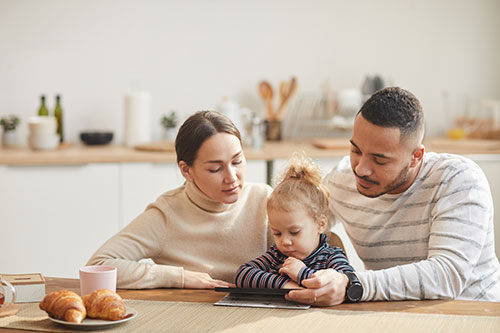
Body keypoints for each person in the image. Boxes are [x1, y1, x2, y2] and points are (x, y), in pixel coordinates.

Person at [286, 87, 500, 306]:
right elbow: (296, 223)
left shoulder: (458, 179)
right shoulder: (341, 181)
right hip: (392, 314)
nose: (361, 169)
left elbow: (446, 277)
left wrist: (351, 284)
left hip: (473, 315)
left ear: (416, 157)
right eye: (356, 151)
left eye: (379, 160)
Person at [87, 111, 274, 289]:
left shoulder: (264, 200)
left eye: (237, 161)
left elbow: (301, 261)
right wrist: (180, 277)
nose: (232, 177)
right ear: (186, 170)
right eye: (215, 169)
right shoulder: (167, 215)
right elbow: (98, 265)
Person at [235, 154, 354, 290]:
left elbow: (347, 282)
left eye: (294, 232)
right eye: (277, 233)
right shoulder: (276, 256)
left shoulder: (331, 257)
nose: (285, 241)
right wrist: (285, 285)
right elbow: (242, 274)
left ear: (320, 224)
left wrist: (302, 273)